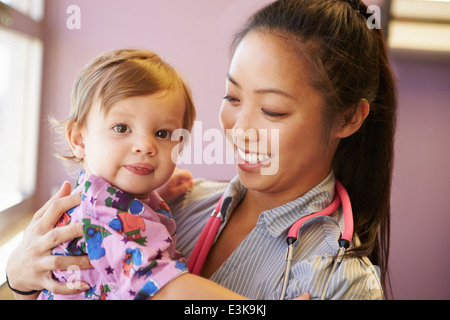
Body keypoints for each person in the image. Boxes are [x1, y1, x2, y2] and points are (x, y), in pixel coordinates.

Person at [6, 0, 396, 300]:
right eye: (232, 97)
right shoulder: (157, 200)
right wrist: (17, 281)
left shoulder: (341, 282)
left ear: (348, 118)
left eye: (273, 110)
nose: (240, 128)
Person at [36, 48, 197, 299]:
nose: (145, 146)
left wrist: (157, 195)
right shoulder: (99, 212)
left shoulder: (103, 197)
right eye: (121, 128)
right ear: (79, 139)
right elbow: (154, 283)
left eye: (163, 134)